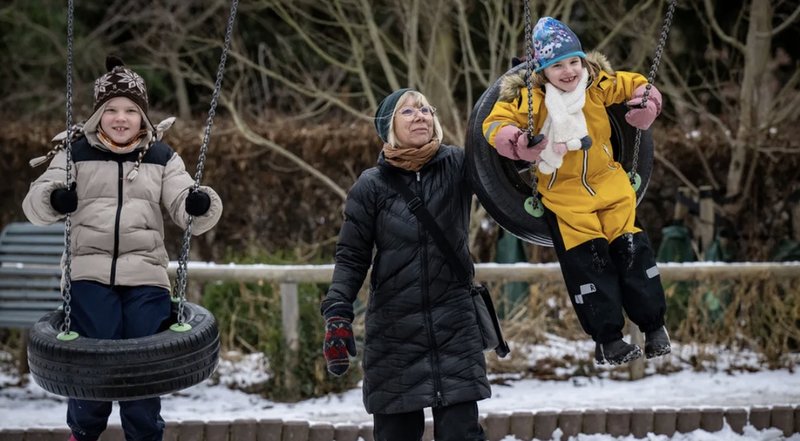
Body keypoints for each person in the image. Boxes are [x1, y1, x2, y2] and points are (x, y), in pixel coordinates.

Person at [22, 55, 223, 441]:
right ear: (98, 115)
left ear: (143, 118)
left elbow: (185, 204)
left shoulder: (163, 158)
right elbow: (36, 201)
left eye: (131, 110)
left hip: (146, 276)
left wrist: (199, 204)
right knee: (94, 362)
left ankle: (145, 435)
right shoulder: (74, 154)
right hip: (88, 274)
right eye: (110, 109)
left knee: (144, 367)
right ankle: (83, 433)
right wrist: (55, 199)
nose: (120, 118)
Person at [482, 17, 671, 365]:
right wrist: (519, 143)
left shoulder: (597, 85)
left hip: (611, 185)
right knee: (590, 264)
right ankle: (609, 339)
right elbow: (494, 123)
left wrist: (649, 105)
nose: (568, 71)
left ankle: (654, 326)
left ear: (583, 61)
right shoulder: (531, 98)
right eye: (557, 65)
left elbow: (638, 84)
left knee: (633, 252)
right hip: (565, 196)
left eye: (573, 61)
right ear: (542, 69)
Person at [320, 88, 489, 441]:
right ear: (389, 126)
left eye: (426, 109)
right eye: (409, 111)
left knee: (462, 434)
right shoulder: (371, 186)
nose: (421, 116)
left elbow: (508, 168)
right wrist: (337, 313)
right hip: (394, 334)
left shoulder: (459, 165)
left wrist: (520, 91)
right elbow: (351, 256)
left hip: (454, 326)